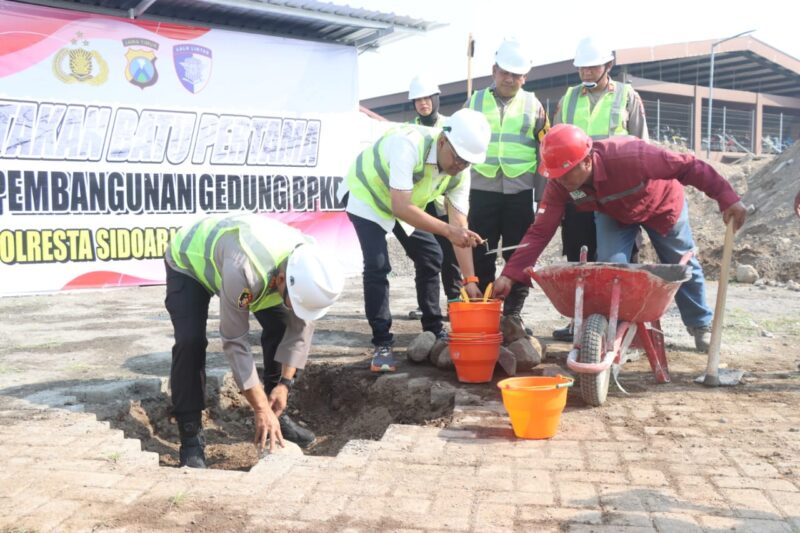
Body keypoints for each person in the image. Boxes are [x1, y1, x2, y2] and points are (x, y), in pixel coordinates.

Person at [493, 124, 748, 352]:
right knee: (610, 268)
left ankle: (700, 325)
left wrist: (727, 198)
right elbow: (540, 231)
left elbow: (689, 166)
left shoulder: (631, 156)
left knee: (681, 264)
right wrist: (510, 273)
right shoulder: (561, 183)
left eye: (566, 173)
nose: (560, 181)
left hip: (662, 206)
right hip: (614, 214)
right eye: (555, 175)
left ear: (587, 160)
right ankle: (620, 330)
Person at [164, 214, 344, 468]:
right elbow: (235, 340)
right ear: (281, 281)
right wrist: (259, 409)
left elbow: (301, 326)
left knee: (283, 323)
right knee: (190, 341)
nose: (298, 308)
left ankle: (276, 413)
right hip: (189, 261)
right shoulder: (245, 271)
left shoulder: (308, 265)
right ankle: (190, 435)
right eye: (296, 301)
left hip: (246, 266)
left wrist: (284, 384)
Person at [341, 108, 491, 373]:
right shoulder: (409, 143)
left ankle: (433, 329)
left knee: (431, 257)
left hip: (404, 204)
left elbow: (460, 228)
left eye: (467, 162)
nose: (459, 166)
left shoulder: (460, 172)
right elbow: (402, 207)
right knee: (378, 265)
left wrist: (470, 281)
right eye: (457, 158)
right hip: (367, 196)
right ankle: (382, 343)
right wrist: (448, 230)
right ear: (443, 141)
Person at [550, 37, 650, 342]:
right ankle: (579, 319)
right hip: (579, 190)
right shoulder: (567, 99)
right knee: (579, 251)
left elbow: (641, 146)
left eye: (593, 66)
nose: (587, 72)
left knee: (614, 256)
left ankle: (617, 319)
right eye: (582, 67)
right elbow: (555, 142)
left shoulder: (627, 96)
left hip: (615, 192)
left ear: (608, 66)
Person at [465, 38, 549, 329]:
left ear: (524, 77)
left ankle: (513, 313)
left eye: (516, 74)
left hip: (519, 191)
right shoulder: (474, 101)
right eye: (505, 72)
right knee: (481, 251)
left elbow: (545, 151)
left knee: (518, 253)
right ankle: (484, 310)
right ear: (494, 71)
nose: (510, 79)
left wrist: (542, 196)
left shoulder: (534, 105)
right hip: (481, 188)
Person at [406, 75, 461, 319]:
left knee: (450, 253)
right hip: (420, 202)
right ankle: (426, 304)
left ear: (436, 99)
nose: (423, 103)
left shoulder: (450, 125)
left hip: (443, 198)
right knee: (424, 256)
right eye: (418, 100)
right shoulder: (409, 128)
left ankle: (454, 300)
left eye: (427, 98)